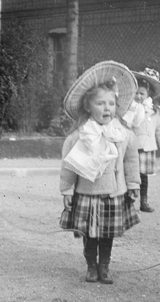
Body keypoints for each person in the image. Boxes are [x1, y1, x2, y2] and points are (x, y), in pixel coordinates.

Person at [59, 61, 141, 284]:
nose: (107, 108)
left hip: (113, 194)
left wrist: (133, 185)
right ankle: (91, 266)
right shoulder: (80, 135)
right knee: (90, 234)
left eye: (111, 104)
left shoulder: (122, 133)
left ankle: (104, 266)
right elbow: (69, 165)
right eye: (101, 103)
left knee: (107, 234)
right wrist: (67, 190)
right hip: (87, 193)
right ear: (88, 106)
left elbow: (131, 160)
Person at [121, 68, 160, 213]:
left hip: (147, 147)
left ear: (149, 94)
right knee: (130, 174)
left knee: (144, 177)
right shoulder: (131, 108)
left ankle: (144, 201)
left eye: (142, 94)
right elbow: (125, 124)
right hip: (133, 147)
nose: (138, 96)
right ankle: (128, 201)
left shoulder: (155, 111)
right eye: (136, 93)